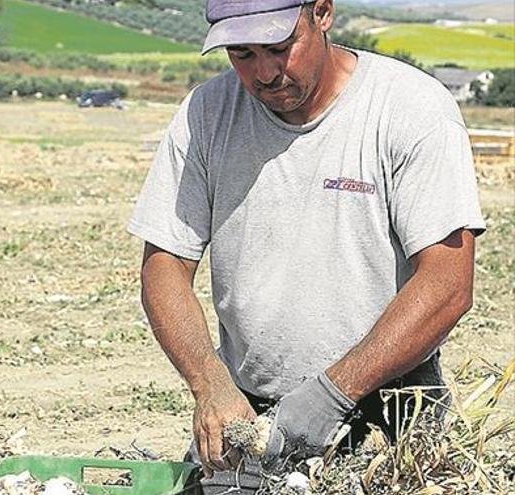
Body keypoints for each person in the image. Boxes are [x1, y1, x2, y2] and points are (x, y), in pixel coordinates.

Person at [128, 0, 484, 492]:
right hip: (247, 413)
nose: (265, 73)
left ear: (322, 13)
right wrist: (210, 384)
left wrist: (332, 394)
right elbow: (164, 265)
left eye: (279, 48)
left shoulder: (410, 108)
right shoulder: (206, 114)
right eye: (242, 54)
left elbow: (448, 284)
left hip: (393, 418)